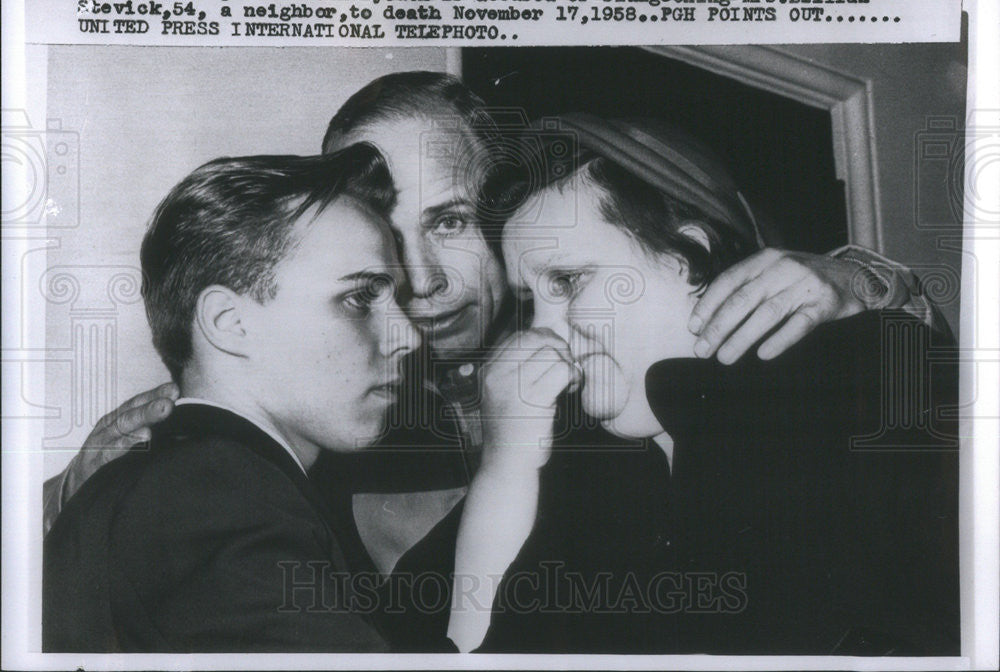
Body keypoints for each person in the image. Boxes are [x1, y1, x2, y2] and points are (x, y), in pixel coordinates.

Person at [44, 73, 948, 583]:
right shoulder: (299, 401)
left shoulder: (612, 368)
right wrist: (70, 495)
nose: (420, 280)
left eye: (446, 221)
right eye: (381, 241)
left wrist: (871, 280)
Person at [446, 114, 959, 654]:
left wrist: (876, 287)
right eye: (530, 303)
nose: (540, 334)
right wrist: (505, 465)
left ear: (687, 258)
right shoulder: (577, 473)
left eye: (569, 281)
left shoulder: (853, 386)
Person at [44, 146, 435, 651]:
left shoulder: (194, 483)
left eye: (396, 299)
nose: (409, 336)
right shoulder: (218, 498)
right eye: (360, 298)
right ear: (230, 324)